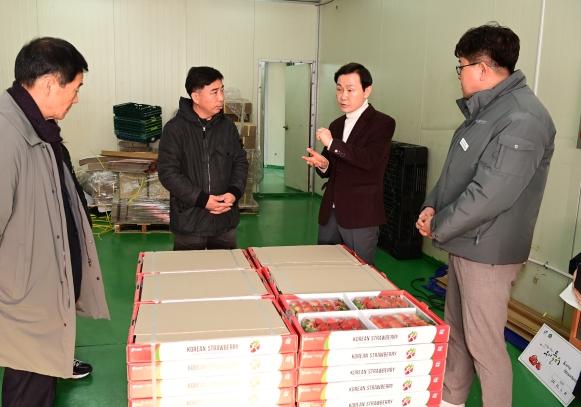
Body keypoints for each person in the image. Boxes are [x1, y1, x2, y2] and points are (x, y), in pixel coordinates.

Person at [415, 23, 555, 407]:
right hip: (466, 242)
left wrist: (439, 224)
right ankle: (451, 399)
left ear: (481, 68)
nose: (458, 75)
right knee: (458, 332)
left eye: (460, 66)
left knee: (485, 346)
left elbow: (490, 195)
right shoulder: (486, 111)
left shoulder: (522, 118)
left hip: (488, 252)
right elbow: (455, 173)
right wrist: (432, 205)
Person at [0, 37, 110, 406]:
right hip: (25, 303)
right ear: (49, 83)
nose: (76, 99)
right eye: (75, 88)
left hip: (45, 295)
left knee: (40, 387)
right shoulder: (7, 134)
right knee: (28, 391)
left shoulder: (40, 130)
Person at [302, 62, 395, 265]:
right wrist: (323, 164)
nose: (343, 96)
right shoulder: (336, 125)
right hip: (330, 212)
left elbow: (369, 160)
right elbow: (332, 168)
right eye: (339, 89)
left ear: (367, 90)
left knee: (360, 270)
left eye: (350, 90)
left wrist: (332, 143)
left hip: (360, 214)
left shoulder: (383, 123)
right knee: (325, 267)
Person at [158, 66, 248, 250]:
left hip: (225, 219)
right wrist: (202, 200)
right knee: (190, 268)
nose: (221, 98)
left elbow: (240, 162)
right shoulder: (175, 129)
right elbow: (168, 173)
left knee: (226, 267)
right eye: (214, 92)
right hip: (190, 221)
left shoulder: (228, 127)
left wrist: (233, 192)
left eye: (222, 90)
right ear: (196, 97)